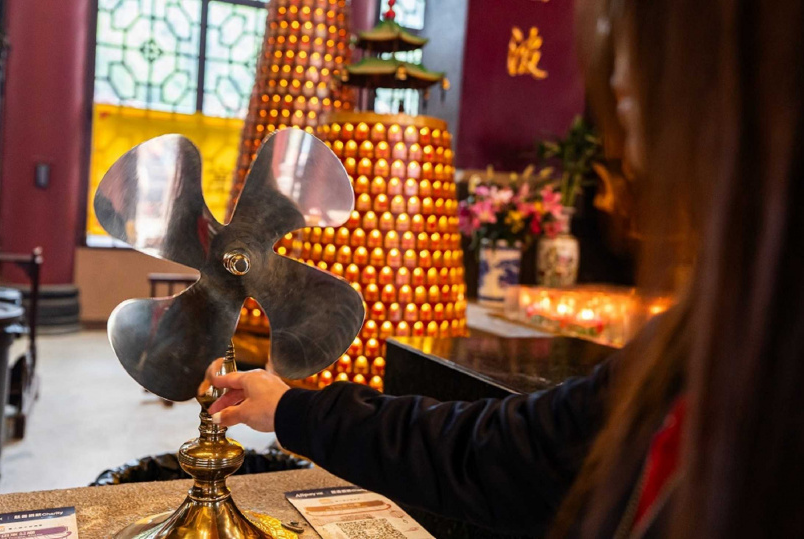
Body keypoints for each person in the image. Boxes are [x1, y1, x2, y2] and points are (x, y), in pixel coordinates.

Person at [206, 0, 804, 536]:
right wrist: (291, 409)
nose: (618, 78)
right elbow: (502, 451)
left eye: (634, 35)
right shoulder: (699, 346)